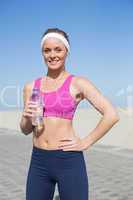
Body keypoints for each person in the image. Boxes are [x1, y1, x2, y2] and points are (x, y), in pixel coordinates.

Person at [20, 28, 119, 200]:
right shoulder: (31, 86)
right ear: (42, 53)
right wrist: (28, 117)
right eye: (47, 50)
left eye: (58, 49)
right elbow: (25, 129)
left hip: (68, 160)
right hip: (38, 161)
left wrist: (86, 142)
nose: (52, 55)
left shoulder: (78, 83)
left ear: (67, 51)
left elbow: (111, 114)